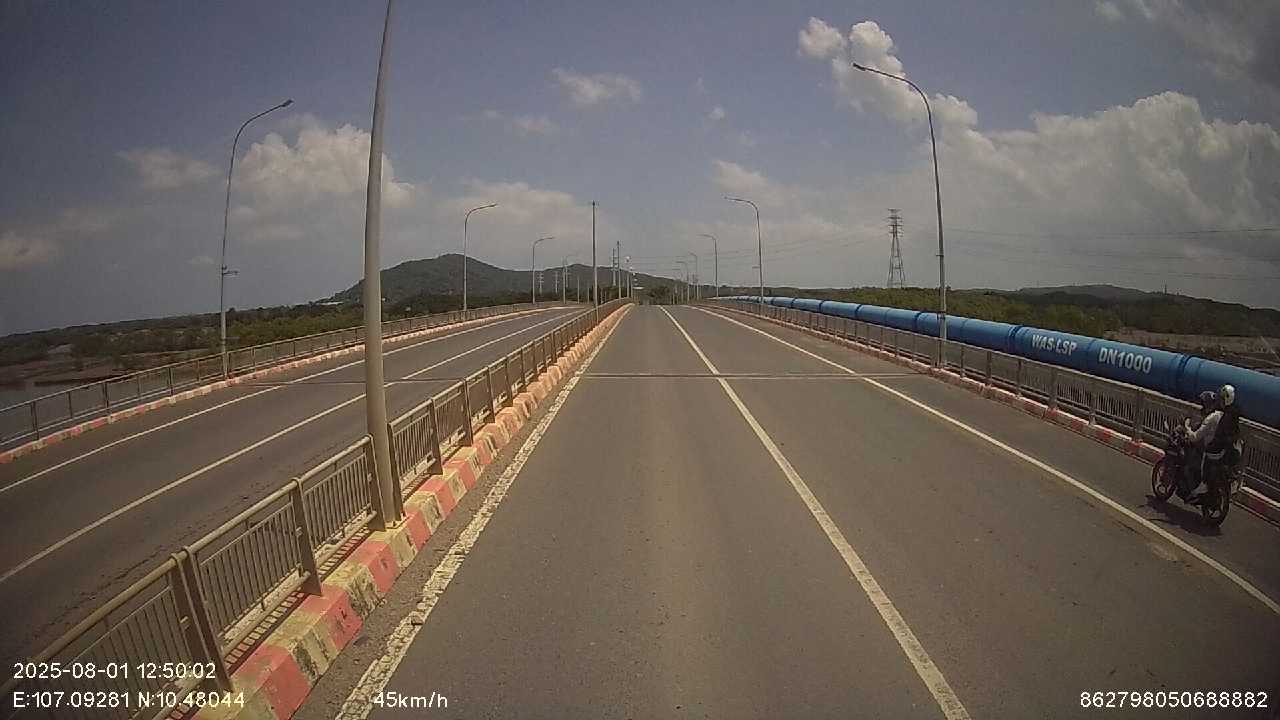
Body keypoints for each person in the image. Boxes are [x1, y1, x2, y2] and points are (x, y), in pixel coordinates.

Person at [1179, 384, 1240, 499]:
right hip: (1227, 450)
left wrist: (1187, 428)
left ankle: (1202, 483)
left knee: (1202, 457)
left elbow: (1195, 437)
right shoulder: (1231, 413)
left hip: (1215, 449)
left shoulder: (1213, 417)